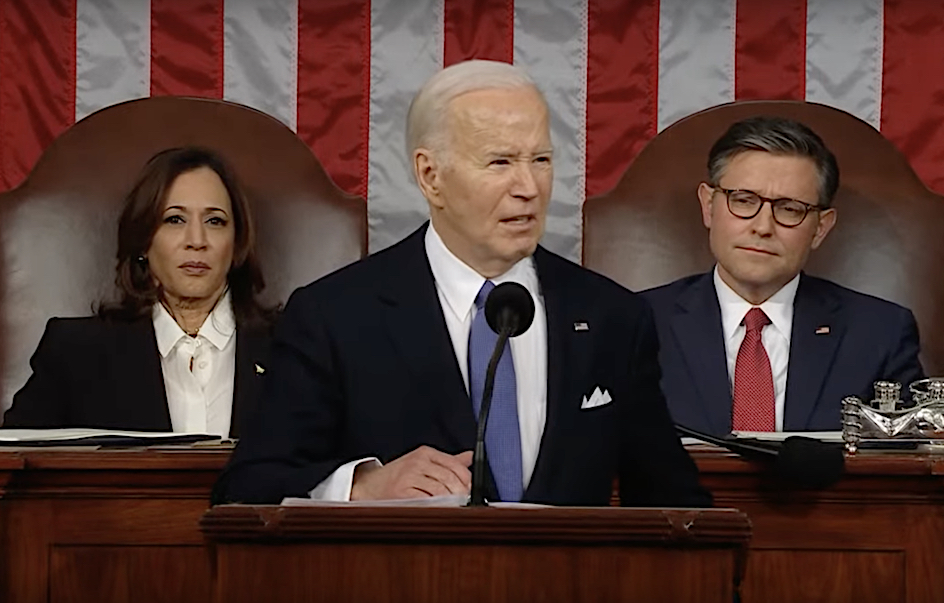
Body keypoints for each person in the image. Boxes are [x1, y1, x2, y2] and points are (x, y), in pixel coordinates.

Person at [213, 60, 711, 507]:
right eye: (501, 162)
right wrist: (362, 487)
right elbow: (247, 487)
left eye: (540, 160)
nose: (529, 187)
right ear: (430, 176)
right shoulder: (335, 315)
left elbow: (675, 502)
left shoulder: (611, 317)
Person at [641, 116, 924, 436]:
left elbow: (905, 468)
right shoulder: (634, 323)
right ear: (708, 206)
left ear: (820, 227)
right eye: (744, 201)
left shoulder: (880, 334)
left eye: (790, 209)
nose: (762, 227)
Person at [3, 147, 275, 437]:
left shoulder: (293, 347)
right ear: (144, 240)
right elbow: (10, 468)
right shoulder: (76, 354)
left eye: (215, 221)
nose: (197, 240)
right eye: (175, 219)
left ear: (237, 243)